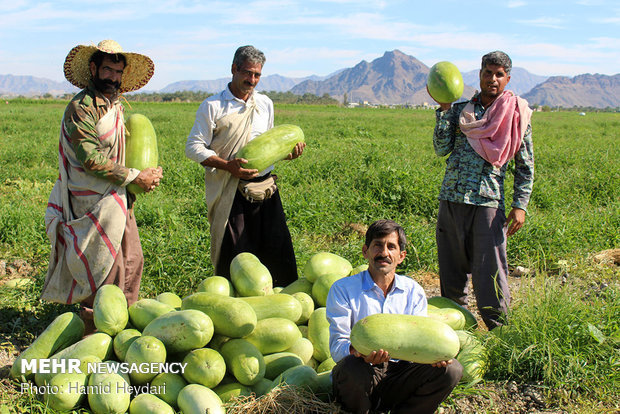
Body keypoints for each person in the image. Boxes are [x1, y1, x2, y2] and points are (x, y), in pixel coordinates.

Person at [41, 40, 163, 331]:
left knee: (130, 260)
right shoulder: (81, 108)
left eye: (118, 72)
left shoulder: (114, 106)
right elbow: (91, 159)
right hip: (92, 202)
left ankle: (123, 328)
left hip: (118, 198)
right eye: (108, 69)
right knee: (102, 267)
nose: (113, 77)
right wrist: (136, 176)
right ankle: (92, 333)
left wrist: (148, 173)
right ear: (94, 68)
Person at [430, 50, 534, 330]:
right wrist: (443, 110)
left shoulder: (515, 114)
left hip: (488, 203)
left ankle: (500, 333)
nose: (493, 79)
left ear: (507, 79)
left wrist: (520, 204)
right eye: (488, 72)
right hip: (451, 199)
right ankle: (456, 333)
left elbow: (525, 165)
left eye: (499, 74)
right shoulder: (460, 110)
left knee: (490, 273)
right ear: (480, 75)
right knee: (451, 273)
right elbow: (441, 149)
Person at [185, 45, 305, 288]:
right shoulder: (213, 106)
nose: (252, 80)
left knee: (277, 250)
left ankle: (279, 305)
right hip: (232, 190)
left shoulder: (265, 104)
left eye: (257, 75)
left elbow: (269, 144)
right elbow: (193, 147)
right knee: (235, 255)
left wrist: (286, 155)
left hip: (266, 188)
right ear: (233, 69)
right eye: (247, 73)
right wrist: (228, 166)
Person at [326, 219, 462, 414]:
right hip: (362, 374)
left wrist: (434, 359)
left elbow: (420, 341)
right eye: (377, 246)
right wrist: (358, 352)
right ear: (366, 251)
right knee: (350, 367)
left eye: (391, 247)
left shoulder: (413, 290)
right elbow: (337, 347)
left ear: (401, 256)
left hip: (401, 375)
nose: (384, 253)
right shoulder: (343, 289)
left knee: (452, 370)